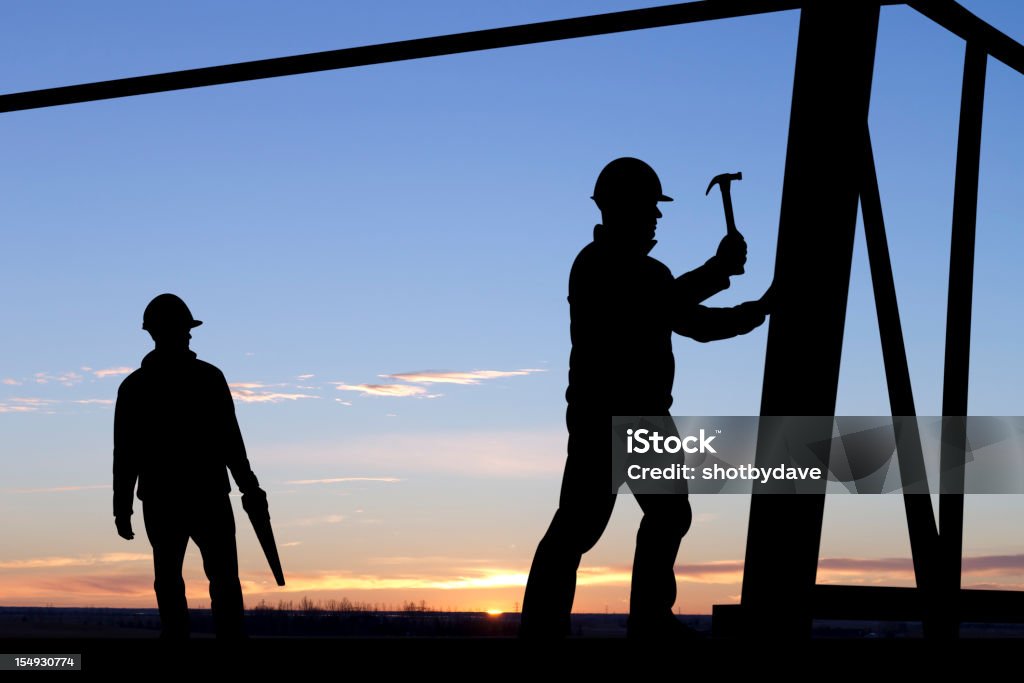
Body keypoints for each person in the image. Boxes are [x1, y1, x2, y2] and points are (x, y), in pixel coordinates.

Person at [520, 157, 771, 638]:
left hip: (619, 416)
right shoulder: (600, 267)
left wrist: (746, 300)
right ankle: (627, 621)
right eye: (650, 208)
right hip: (618, 416)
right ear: (623, 209)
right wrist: (729, 279)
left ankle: (613, 622)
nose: (657, 217)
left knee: (637, 517)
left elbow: (685, 316)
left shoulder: (632, 269)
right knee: (594, 524)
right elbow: (670, 308)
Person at [113, 293, 269, 639]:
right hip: (200, 496)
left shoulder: (137, 386)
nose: (189, 336)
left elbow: (230, 439)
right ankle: (213, 640)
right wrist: (121, 508)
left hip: (176, 497)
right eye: (185, 329)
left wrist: (122, 507)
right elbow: (126, 454)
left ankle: (199, 640)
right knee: (199, 577)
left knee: (199, 578)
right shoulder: (203, 379)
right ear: (167, 333)